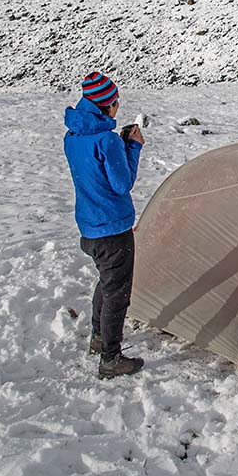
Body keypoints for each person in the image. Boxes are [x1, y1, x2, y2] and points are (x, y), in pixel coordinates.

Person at [63, 71, 146, 378]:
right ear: (105, 105)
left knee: (107, 281)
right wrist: (132, 147)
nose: (118, 107)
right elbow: (122, 184)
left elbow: (96, 173)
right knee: (117, 293)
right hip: (113, 227)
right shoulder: (107, 140)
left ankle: (99, 339)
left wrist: (118, 148)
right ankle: (110, 359)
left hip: (89, 225)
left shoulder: (73, 137)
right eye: (115, 102)